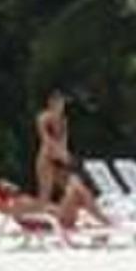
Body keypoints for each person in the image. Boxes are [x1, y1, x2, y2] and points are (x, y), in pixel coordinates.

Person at [35, 88, 108, 238]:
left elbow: (64, 141)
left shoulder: (64, 120)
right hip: (46, 159)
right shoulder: (43, 117)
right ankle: (43, 219)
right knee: (45, 194)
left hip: (60, 159)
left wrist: (65, 155)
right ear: (50, 102)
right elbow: (45, 140)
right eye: (58, 102)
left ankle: (72, 214)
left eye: (62, 102)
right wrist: (59, 153)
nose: (60, 105)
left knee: (74, 187)